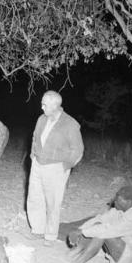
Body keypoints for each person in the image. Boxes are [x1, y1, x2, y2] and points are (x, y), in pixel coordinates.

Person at [25, 90, 84, 246]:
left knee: (53, 202)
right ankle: (37, 230)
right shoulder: (41, 119)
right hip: (38, 164)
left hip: (56, 168)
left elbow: (77, 150)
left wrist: (65, 166)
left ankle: (50, 235)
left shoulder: (70, 124)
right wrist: (33, 156)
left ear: (55, 106)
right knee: (34, 198)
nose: (41, 107)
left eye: (44, 104)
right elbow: (34, 138)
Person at [68, 186, 132, 263]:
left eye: (118, 200)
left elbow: (107, 230)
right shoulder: (120, 210)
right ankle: (74, 253)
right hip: (128, 250)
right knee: (97, 226)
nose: (114, 202)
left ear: (128, 202)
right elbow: (100, 219)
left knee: (102, 234)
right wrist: (79, 230)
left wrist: (82, 232)